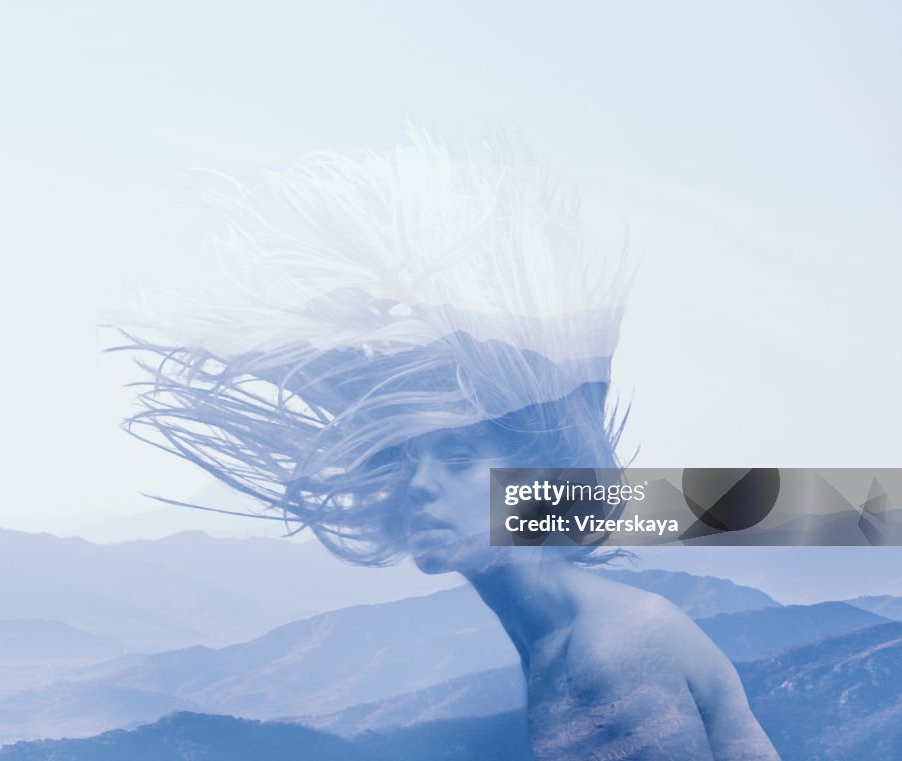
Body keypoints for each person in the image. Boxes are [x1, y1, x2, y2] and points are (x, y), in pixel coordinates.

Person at [121, 131, 780, 760]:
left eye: (459, 459)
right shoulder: (575, 634)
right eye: (407, 458)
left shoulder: (603, 659)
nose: (420, 485)